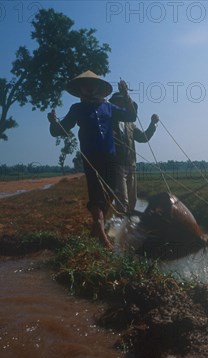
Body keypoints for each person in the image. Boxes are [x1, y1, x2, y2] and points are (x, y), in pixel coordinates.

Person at [47, 70, 137, 249]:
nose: (88, 90)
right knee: (96, 192)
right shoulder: (77, 109)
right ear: (81, 91)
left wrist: (126, 95)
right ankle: (101, 232)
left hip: (111, 156)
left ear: (97, 89)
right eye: (84, 87)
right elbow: (60, 131)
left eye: (92, 86)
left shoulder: (109, 108)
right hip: (91, 156)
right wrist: (53, 122)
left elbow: (131, 116)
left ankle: (97, 228)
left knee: (110, 191)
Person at [109, 90, 159, 215]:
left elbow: (143, 138)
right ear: (113, 105)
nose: (121, 105)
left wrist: (152, 124)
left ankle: (128, 226)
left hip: (131, 164)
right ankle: (120, 224)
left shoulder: (130, 124)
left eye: (123, 103)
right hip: (116, 164)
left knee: (133, 200)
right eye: (118, 103)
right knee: (122, 199)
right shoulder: (108, 122)